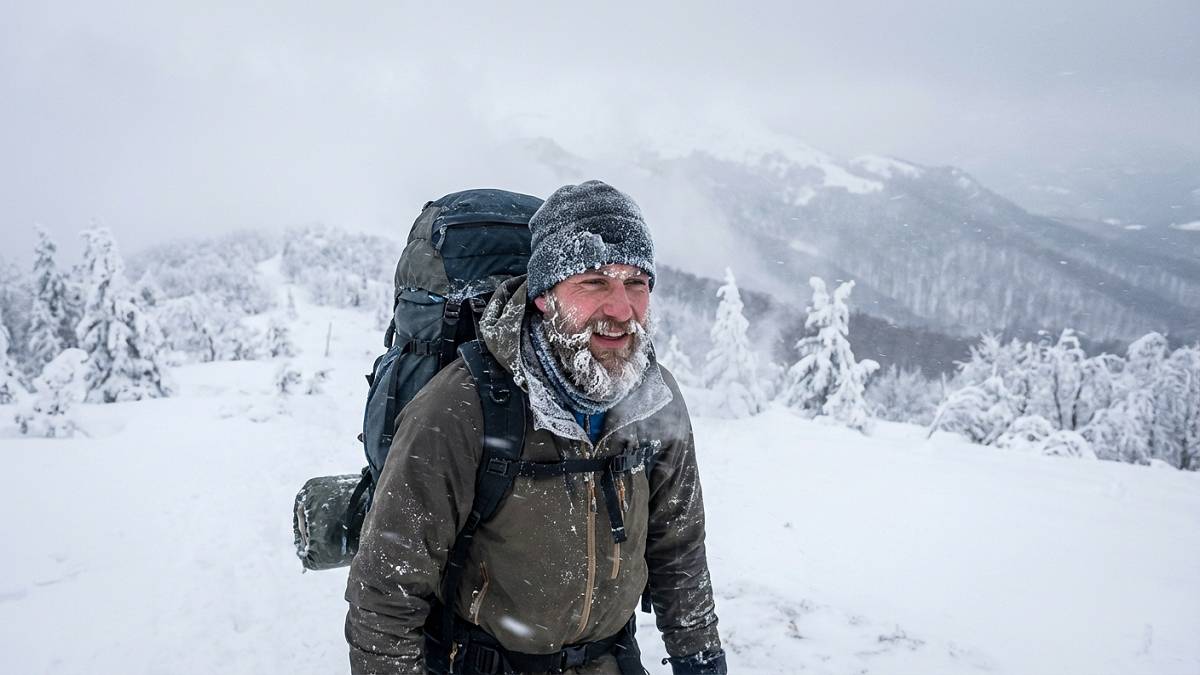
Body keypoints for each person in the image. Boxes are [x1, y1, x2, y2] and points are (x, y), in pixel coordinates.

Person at [345, 180, 726, 674]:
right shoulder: (460, 406)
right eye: (593, 282)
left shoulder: (654, 400)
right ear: (545, 295)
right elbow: (386, 591)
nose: (620, 309)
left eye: (636, 283)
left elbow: (680, 551)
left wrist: (701, 662)